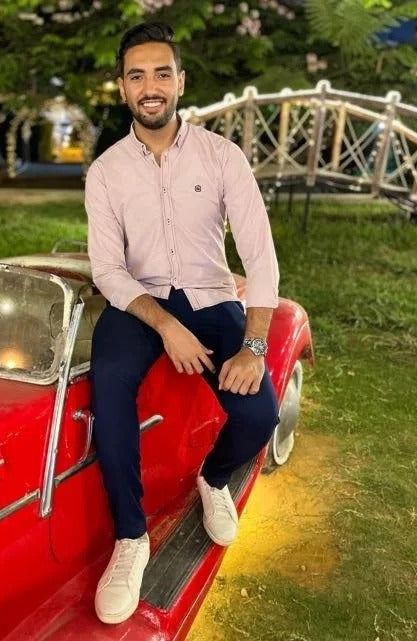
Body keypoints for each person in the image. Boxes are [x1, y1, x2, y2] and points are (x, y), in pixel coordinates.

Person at [85, 21, 280, 625]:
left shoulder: (222, 156)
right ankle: (131, 536)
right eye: (137, 75)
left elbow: (260, 257)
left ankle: (213, 479)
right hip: (140, 302)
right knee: (108, 385)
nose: (150, 87)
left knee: (260, 415)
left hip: (211, 298)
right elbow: (107, 270)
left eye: (161, 74)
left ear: (180, 81)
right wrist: (166, 326)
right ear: (122, 87)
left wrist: (253, 345)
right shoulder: (106, 171)